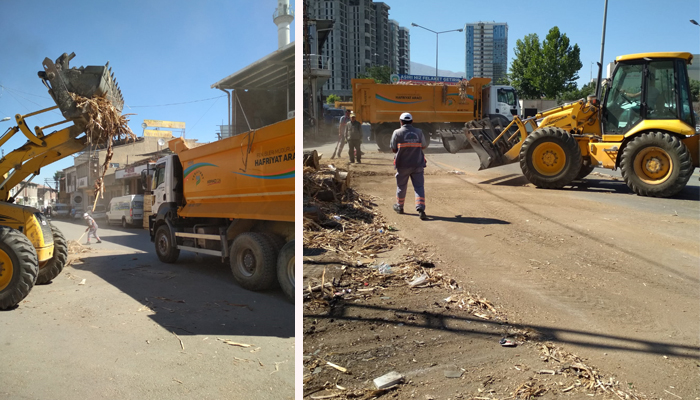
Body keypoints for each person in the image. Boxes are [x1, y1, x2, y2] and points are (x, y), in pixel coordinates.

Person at [390, 112, 428, 220]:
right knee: (419, 187)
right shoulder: (419, 132)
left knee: (401, 186)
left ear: (401, 122)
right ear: (411, 121)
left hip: (402, 165)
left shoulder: (397, 132)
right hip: (417, 164)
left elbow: (393, 148)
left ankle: (400, 207)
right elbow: (424, 146)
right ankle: (420, 209)